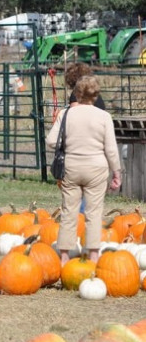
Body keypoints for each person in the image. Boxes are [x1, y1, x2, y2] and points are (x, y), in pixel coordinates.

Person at [46, 75, 121, 264]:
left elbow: (51, 141)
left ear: (77, 93)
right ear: (96, 95)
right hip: (97, 168)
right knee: (94, 213)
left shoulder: (66, 114)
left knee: (69, 211)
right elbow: (111, 149)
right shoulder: (104, 116)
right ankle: (93, 256)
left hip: (71, 166)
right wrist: (116, 173)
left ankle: (64, 257)